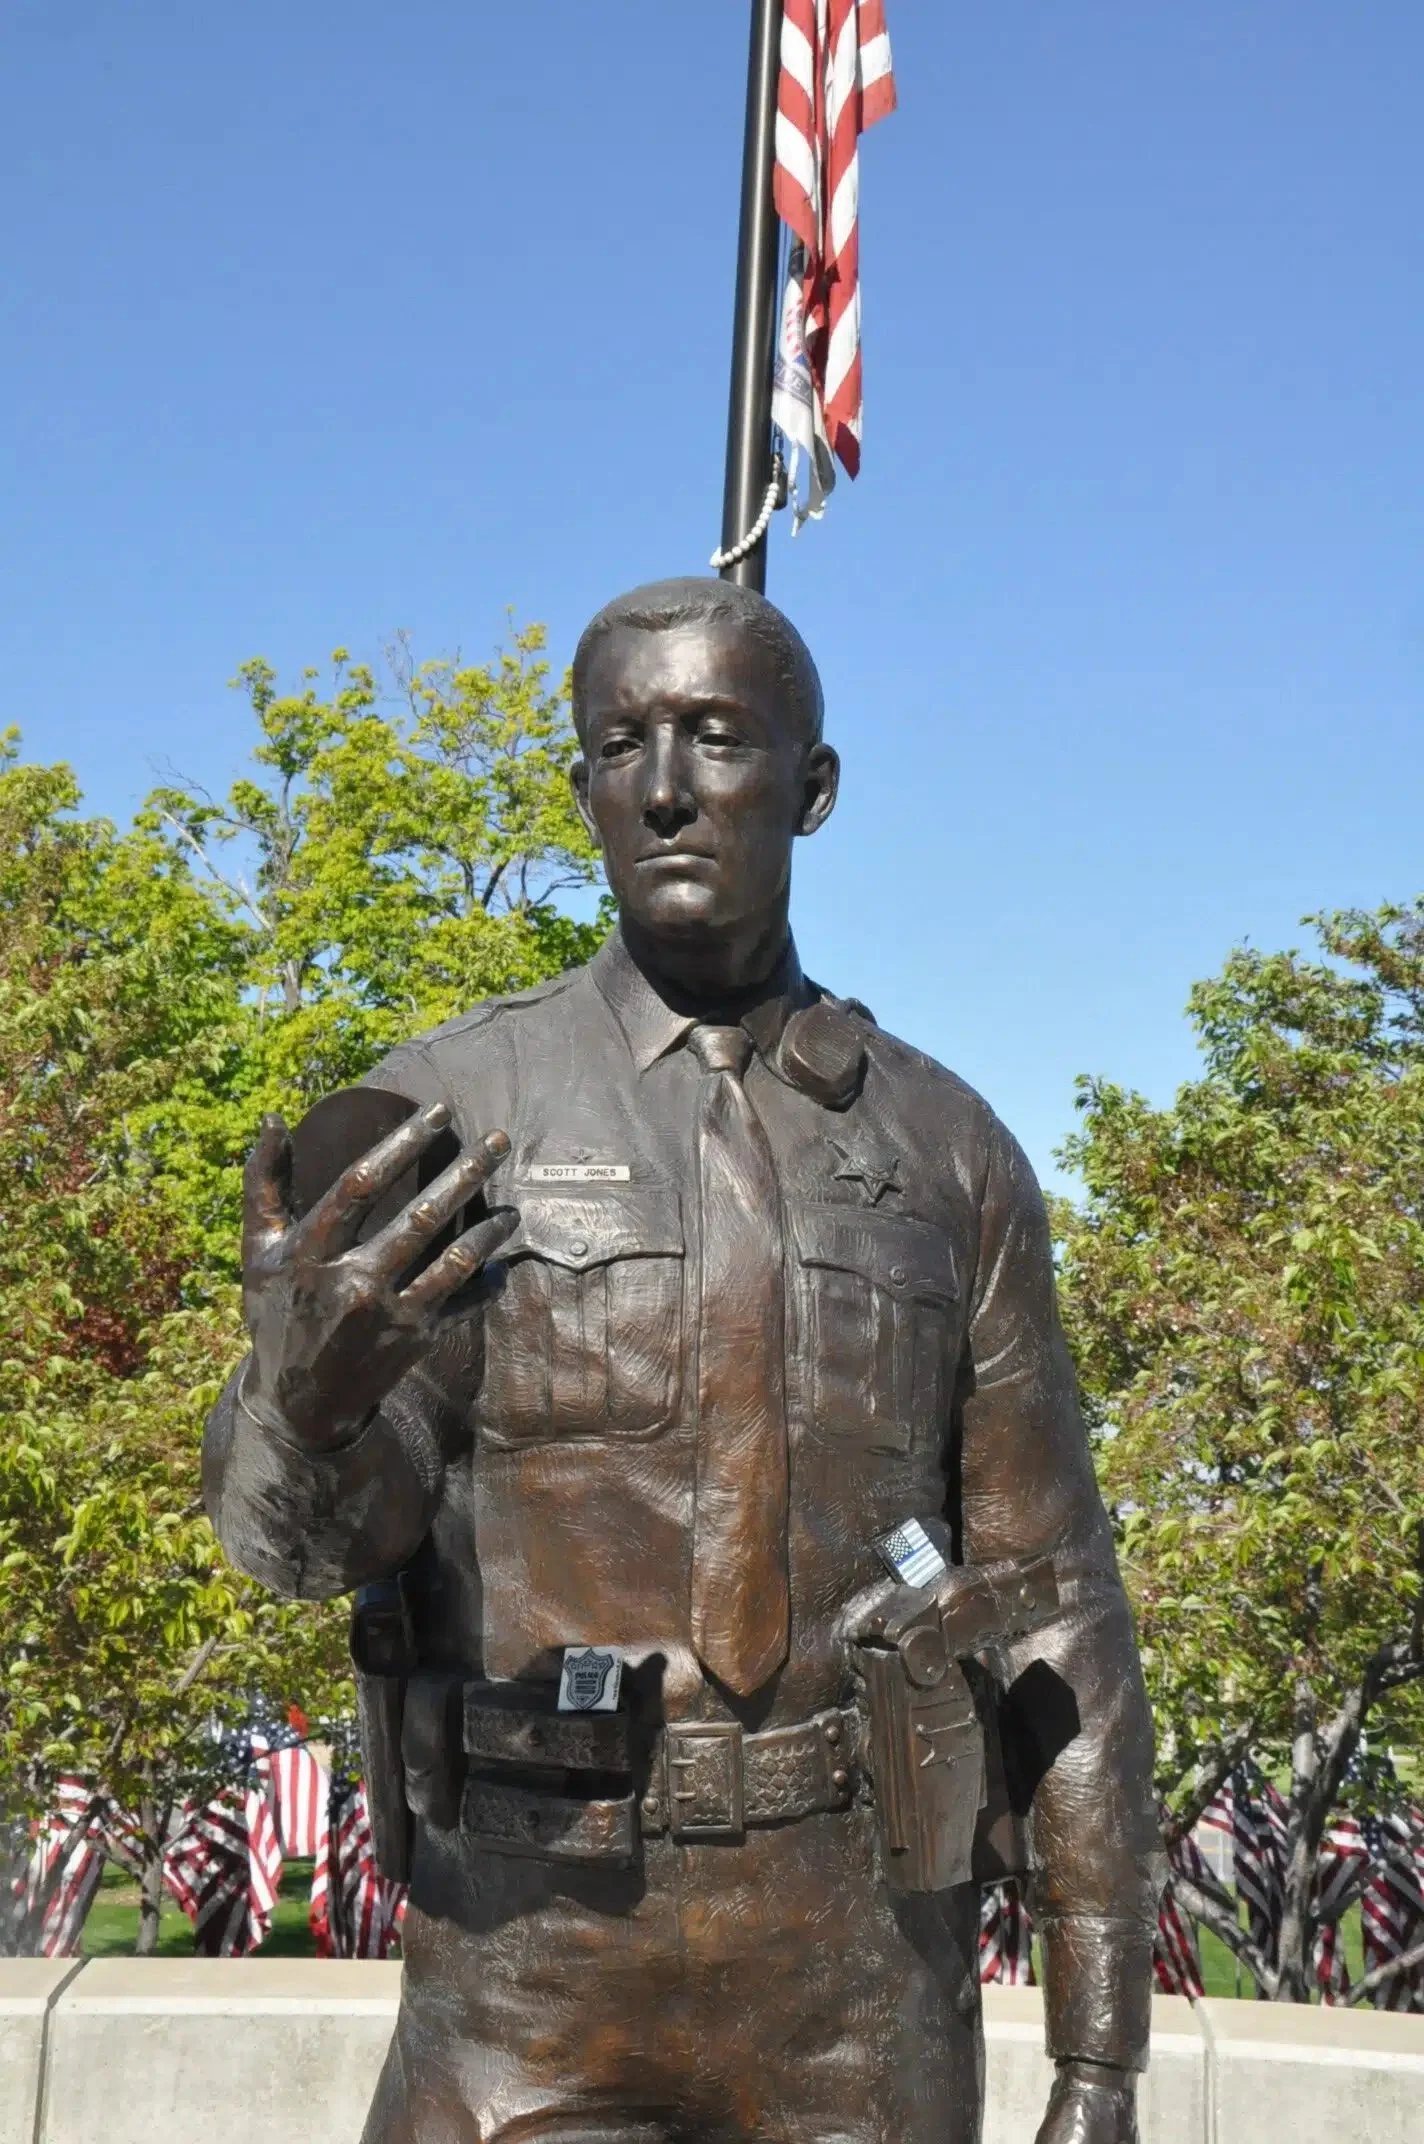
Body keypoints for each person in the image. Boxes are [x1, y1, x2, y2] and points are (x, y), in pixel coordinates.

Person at [204, 577, 1162, 2144]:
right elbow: (290, 1556)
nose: (663, 789)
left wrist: (1099, 2060)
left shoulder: (946, 1157)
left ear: (813, 784)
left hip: (860, 1987)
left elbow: (1057, 1607)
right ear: (580, 782)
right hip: (526, 1975)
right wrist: (304, 1407)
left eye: (715, 739)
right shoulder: (442, 1121)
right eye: (620, 745)